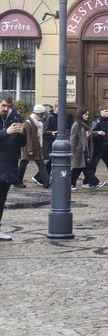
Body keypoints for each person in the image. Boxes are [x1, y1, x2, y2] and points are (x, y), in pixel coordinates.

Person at [0, 92, 26, 241]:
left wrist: (22, 133)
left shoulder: (14, 118)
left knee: (1, 200)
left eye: (8, 106)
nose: (6, 108)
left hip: (8, 167)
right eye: (3, 105)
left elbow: (21, 143)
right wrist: (6, 132)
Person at [17, 104, 50, 189]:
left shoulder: (39, 122)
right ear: (39, 114)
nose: (43, 115)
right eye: (42, 113)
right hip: (29, 148)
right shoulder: (28, 123)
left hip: (37, 147)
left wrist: (50, 132)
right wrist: (30, 149)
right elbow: (28, 137)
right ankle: (17, 181)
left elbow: (40, 135)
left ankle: (46, 183)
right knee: (23, 164)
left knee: (40, 165)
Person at [70, 107, 103, 190]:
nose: (87, 116)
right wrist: (73, 151)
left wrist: (96, 132)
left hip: (83, 150)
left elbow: (88, 133)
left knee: (78, 169)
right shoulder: (77, 125)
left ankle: (70, 184)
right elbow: (73, 138)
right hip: (79, 150)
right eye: (86, 114)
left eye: (88, 114)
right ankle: (96, 183)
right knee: (85, 168)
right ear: (81, 115)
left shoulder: (83, 124)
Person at [89, 106, 108, 187]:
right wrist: (98, 133)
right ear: (101, 112)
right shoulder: (97, 122)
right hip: (98, 148)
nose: (107, 112)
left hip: (106, 148)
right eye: (105, 111)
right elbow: (91, 133)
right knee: (93, 165)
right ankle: (88, 181)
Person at [33, 103, 56, 185]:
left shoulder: (43, 119)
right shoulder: (49, 117)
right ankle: (42, 180)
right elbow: (43, 131)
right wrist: (51, 132)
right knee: (45, 163)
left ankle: (41, 179)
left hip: (45, 143)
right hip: (42, 144)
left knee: (43, 164)